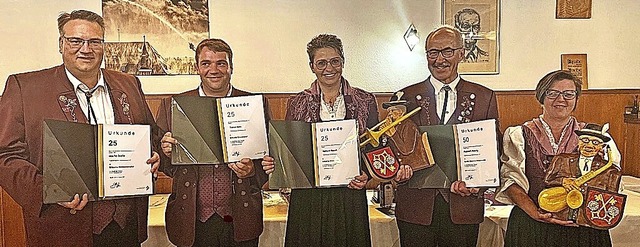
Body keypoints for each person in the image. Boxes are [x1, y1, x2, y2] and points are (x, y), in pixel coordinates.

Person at [0, 10, 160, 246]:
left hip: (125, 227)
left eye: (94, 41)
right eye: (75, 40)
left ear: (103, 45)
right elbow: (5, 154)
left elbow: (151, 136)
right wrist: (47, 190)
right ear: (61, 43)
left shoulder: (129, 84)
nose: (86, 49)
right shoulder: (25, 88)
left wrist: (154, 154)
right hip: (62, 227)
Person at [262, 34, 378, 247]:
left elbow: (374, 147)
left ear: (343, 62)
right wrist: (275, 163)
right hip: (308, 197)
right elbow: (290, 151)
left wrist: (366, 174)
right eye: (321, 62)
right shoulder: (297, 102)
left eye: (335, 61)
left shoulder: (365, 100)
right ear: (312, 66)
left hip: (349, 194)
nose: (329, 68)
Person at [392, 26, 499, 247]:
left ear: (461, 53)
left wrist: (478, 184)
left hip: (463, 207)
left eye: (448, 51)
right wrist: (396, 172)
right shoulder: (404, 97)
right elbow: (394, 148)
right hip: (416, 209)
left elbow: (493, 151)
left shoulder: (484, 97)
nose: (440, 59)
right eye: (433, 52)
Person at [156, 38, 268, 247]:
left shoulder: (255, 105)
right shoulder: (173, 106)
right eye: (206, 63)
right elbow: (163, 165)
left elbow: (270, 161)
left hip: (240, 217)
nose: (213, 70)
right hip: (192, 219)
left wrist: (252, 171)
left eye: (221, 63)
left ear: (231, 67)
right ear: (197, 67)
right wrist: (166, 152)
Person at [495, 70, 621, 246]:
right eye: (552, 93)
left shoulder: (597, 139)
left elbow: (611, 183)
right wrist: (535, 213)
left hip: (582, 229)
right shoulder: (519, 134)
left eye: (569, 94)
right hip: (532, 226)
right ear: (541, 97)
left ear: (576, 99)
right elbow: (510, 181)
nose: (560, 99)